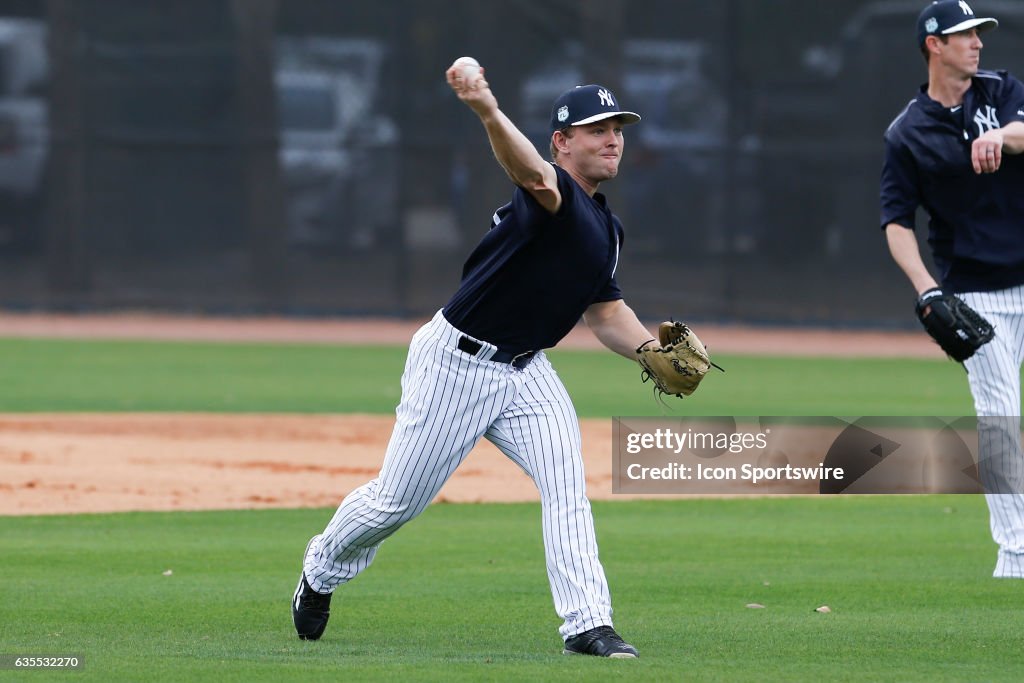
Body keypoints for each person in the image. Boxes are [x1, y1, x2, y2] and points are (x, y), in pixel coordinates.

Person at [291, 62, 668, 657]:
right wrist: (487, 109)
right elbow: (532, 176)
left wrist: (651, 353)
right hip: (456, 363)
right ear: (562, 143)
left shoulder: (607, 227)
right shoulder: (553, 195)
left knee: (566, 485)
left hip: (526, 371)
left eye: (618, 127)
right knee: (395, 504)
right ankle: (322, 568)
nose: (613, 138)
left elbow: (604, 313)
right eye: (596, 129)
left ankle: (587, 625)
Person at [880, 0, 1024, 578]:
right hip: (976, 293)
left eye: (980, 34)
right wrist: (927, 291)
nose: (979, 43)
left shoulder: (1002, 91)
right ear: (933, 44)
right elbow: (896, 221)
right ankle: (1016, 554)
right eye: (966, 34)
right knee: (1001, 417)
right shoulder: (907, 132)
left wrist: (1006, 139)